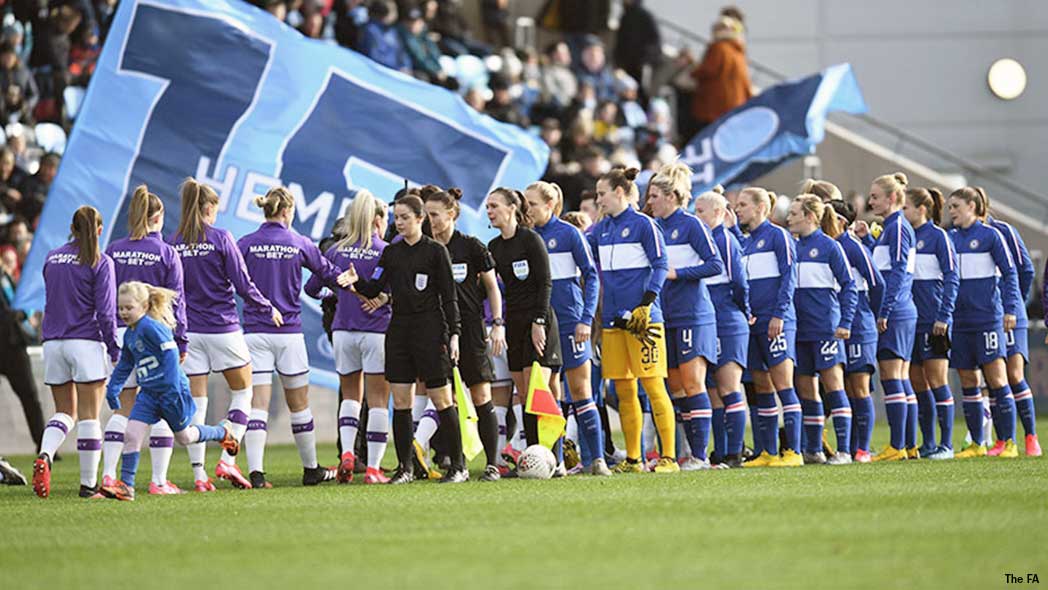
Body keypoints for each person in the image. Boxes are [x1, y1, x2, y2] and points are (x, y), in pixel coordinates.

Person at [344, 194, 468, 484]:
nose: (399, 223)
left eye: (404, 218)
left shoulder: (436, 252)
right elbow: (374, 288)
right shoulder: (392, 253)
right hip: (399, 331)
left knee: (441, 399)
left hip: (431, 330)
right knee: (400, 401)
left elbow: (450, 298)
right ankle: (406, 468)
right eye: (396, 218)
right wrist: (354, 283)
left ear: (420, 219)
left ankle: (458, 466)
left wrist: (454, 334)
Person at [169, 178, 282, 491]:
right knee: (245, 391)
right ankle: (228, 460)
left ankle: (199, 476)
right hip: (223, 328)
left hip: (188, 331)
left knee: (196, 403)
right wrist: (266, 306)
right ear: (208, 208)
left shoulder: (173, 241)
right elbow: (243, 284)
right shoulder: (220, 238)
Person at [238, 187, 353, 488]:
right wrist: (355, 283)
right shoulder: (298, 242)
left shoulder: (247, 243)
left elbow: (229, 277)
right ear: (287, 211)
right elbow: (329, 273)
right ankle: (310, 469)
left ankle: (256, 473)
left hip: (254, 331)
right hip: (288, 333)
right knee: (299, 405)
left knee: (257, 405)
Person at [98, 282, 239, 502]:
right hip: (148, 395)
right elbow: (125, 363)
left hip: (172, 393)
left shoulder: (152, 327)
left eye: (128, 308)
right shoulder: (130, 335)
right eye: (121, 308)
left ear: (144, 306)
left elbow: (171, 355)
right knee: (132, 435)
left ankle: (222, 432)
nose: (123, 312)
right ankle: (127, 487)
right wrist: (113, 388)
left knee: (185, 437)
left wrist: (171, 387)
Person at [588, 167, 678, 473]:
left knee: (654, 387)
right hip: (614, 322)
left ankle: (668, 458)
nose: (599, 200)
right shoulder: (601, 229)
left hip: (644, 321)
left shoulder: (643, 225)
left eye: (602, 194)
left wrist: (647, 303)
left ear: (619, 192)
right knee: (623, 390)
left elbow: (661, 263)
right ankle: (634, 459)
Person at [100, 185, 189, 495]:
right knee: (162, 403)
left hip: (121, 333)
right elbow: (178, 302)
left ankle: (109, 476)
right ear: (158, 216)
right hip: (156, 336)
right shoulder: (166, 252)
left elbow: (104, 297)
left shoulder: (113, 249)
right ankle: (158, 481)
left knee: (122, 409)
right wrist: (182, 341)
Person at [305, 191, 393, 484]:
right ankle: (373, 469)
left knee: (350, 395)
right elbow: (397, 293)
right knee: (379, 399)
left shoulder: (336, 251)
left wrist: (338, 294)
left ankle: (347, 454)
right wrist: (382, 299)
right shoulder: (386, 249)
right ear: (376, 218)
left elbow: (312, 288)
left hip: (343, 329)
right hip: (377, 331)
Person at [33, 206, 119, 499]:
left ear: (72, 227)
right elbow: (106, 313)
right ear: (99, 229)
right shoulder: (100, 261)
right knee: (89, 417)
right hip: (85, 341)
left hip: (53, 342)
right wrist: (115, 348)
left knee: (64, 412)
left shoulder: (52, 257)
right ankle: (88, 486)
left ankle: (44, 454)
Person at [526, 181, 610, 476]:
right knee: (549, 392)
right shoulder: (527, 237)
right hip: (542, 326)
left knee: (581, 389)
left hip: (571, 321)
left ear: (550, 205)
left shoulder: (569, 233)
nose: (528, 209)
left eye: (532, 204)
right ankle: (557, 462)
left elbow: (592, 276)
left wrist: (586, 319)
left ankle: (597, 459)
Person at [645, 164, 724, 470]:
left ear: (670, 196)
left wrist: (678, 273)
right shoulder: (653, 227)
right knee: (676, 386)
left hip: (693, 314)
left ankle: (700, 456)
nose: (649, 202)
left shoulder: (691, 225)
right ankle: (688, 453)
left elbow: (714, 264)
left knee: (693, 384)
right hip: (666, 316)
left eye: (654, 196)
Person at [425, 188, 507, 481]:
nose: (430, 220)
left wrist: (497, 323)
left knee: (481, 395)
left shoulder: (471, 247)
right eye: (427, 214)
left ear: (452, 214)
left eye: (434, 214)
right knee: (444, 400)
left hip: (471, 330)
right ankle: (456, 464)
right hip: (436, 331)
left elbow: (492, 287)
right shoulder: (424, 248)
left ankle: (492, 463)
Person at [486, 187, 566, 472]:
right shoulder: (494, 247)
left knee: (538, 395)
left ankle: (555, 459)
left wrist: (539, 322)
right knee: (522, 396)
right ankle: (536, 458)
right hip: (514, 325)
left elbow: (545, 283)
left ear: (511, 208)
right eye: (487, 207)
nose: (490, 211)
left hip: (539, 322)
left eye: (494, 206)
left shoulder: (530, 239)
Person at [947, 186, 1021, 459]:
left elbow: (1011, 274)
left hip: (988, 318)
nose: (951, 212)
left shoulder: (991, 236)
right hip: (961, 321)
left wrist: (1011, 309)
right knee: (967, 379)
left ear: (971, 206)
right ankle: (978, 442)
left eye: (955, 206)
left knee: (997, 379)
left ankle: (1008, 442)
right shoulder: (950, 239)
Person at [786, 195, 857, 465]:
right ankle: (813, 449)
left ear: (810, 217)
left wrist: (845, 322)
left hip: (826, 327)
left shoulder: (829, 246)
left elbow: (849, 286)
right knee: (806, 390)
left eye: (794, 213)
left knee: (834, 386)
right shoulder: (792, 246)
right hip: (800, 329)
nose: (789, 217)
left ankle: (844, 451)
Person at [735, 187, 801, 467]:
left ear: (761, 207)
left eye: (742, 205)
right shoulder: (747, 243)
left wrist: (780, 315)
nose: (737, 209)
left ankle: (794, 452)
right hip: (754, 323)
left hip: (777, 322)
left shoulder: (778, 236)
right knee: (761, 385)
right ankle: (768, 452)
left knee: (783, 384)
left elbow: (789, 277)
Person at [861, 173, 919, 462]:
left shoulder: (897, 227)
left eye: (875, 196)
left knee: (892, 376)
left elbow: (897, 272)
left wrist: (884, 310)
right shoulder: (890, 228)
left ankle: (897, 445)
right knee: (901, 377)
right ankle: (908, 445)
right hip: (900, 310)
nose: (871, 202)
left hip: (895, 311)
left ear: (892, 198)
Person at [693, 186, 749, 468]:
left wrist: (742, 308)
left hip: (727, 319)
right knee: (713, 391)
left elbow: (739, 280)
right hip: (708, 319)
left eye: (700, 211)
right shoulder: (701, 240)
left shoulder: (723, 239)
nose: (696, 216)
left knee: (729, 387)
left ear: (718, 213)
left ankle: (735, 453)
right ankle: (721, 451)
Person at [902, 187, 958, 459]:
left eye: (905, 208)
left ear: (921, 209)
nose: (902, 213)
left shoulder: (938, 237)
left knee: (936, 379)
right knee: (916, 382)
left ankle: (946, 445)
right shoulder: (906, 236)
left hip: (932, 319)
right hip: (909, 321)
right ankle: (928, 443)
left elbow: (951, 278)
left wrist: (944, 317)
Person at [826, 198, 883, 463]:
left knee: (859, 387)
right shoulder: (826, 246)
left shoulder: (852, 246)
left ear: (841, 221)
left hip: (858, 326)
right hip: (835, 326)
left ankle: (862, 449)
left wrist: (870, 314)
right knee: (843, 387)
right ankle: (845, 448)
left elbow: (877, 283)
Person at [986, 203, 1041, 457]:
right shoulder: (958, 234)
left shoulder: (1003, 231)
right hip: (986, 315)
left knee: (1015, 375)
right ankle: (1004, 440)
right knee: (994, 378)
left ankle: (1031, 437)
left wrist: (1014, 302)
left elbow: (1025, 269)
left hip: (1009, 314)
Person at [687, 15, 751, 139]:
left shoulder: (718, 48)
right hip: (734, 107)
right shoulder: (739, 52)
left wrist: (693, 69)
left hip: (714, 107)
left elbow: (707, 70)